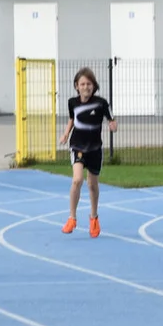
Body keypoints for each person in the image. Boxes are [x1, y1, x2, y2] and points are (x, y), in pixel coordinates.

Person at [58, 67, 118, 238]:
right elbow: (72, 119)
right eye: (82, 84)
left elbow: (112, 120)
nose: (86, 87)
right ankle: (72, 217)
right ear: (77, 86)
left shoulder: (101, 103)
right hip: (77, 146)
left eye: (89, 84)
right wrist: (65, 134)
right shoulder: (72, 102)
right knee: (77, 180)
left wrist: (113, 126)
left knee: (92, 184)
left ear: (94, 85)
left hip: (95, 148)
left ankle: (93, 217)